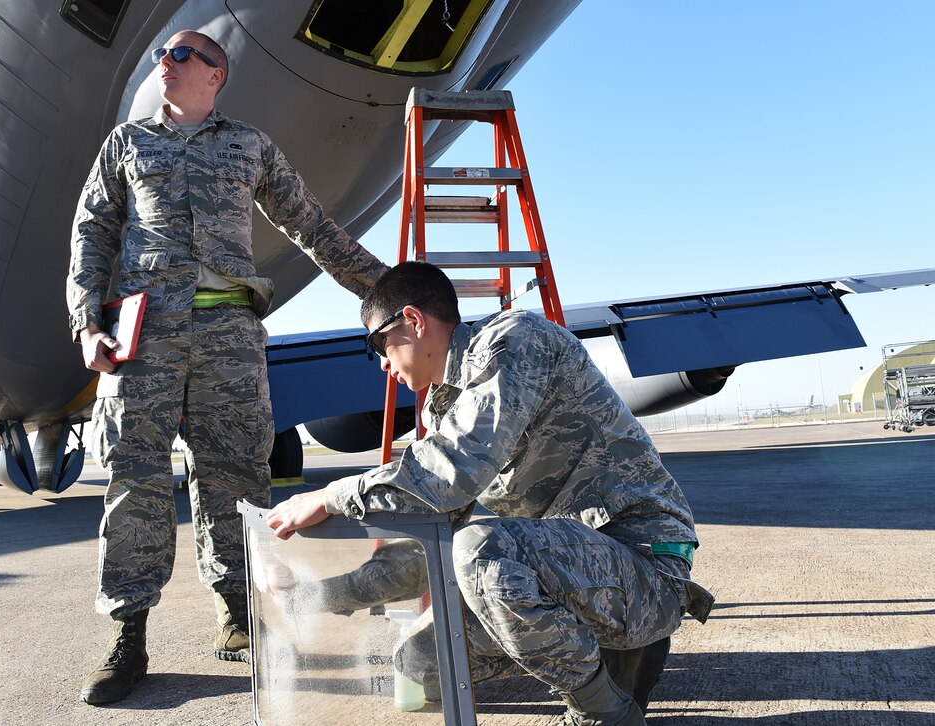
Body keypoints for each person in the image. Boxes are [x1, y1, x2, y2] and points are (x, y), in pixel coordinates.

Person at [66, 30, 388, 705]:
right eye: (162, 54)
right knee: (135, 479)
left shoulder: (249, 146)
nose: (164, 61)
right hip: (144, 335)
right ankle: (128, 635)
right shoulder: (128, 144)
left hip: (227, 333)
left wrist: (384, 288)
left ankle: (239, 612)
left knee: (238, 476)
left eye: (180, 55)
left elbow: (311, 225)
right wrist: (86, 321)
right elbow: (92, 231)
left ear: (216, 75)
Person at [266, 261, 713, 726]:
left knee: (480, 549)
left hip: (640, 563)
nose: (381, 361)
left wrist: (333, 495)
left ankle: (605, 712)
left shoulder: (515, 340)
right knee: (419, 662)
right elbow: (427, 542)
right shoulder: (448, 407)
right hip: (570, 573)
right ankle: (603, 651)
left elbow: (452, 471)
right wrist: (313, 596)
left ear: (413, 321)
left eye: (378, 343)